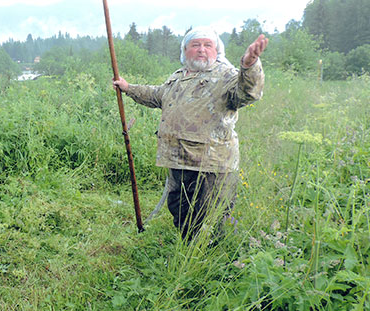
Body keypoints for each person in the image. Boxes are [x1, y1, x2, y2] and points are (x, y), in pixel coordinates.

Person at [113, 27, 268, 240]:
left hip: (212, 163)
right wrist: (128, 88)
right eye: (195, 45)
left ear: (217, 50)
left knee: (212, 214)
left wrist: (249, 65)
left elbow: (247, 93)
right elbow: (157, 95)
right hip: (178, 159)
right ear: (185, 51)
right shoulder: (178, 78)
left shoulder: (226, 76)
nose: (201, 50)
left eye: (207, 45)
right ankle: (187, 250)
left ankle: (211, 260)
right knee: (180, 208)